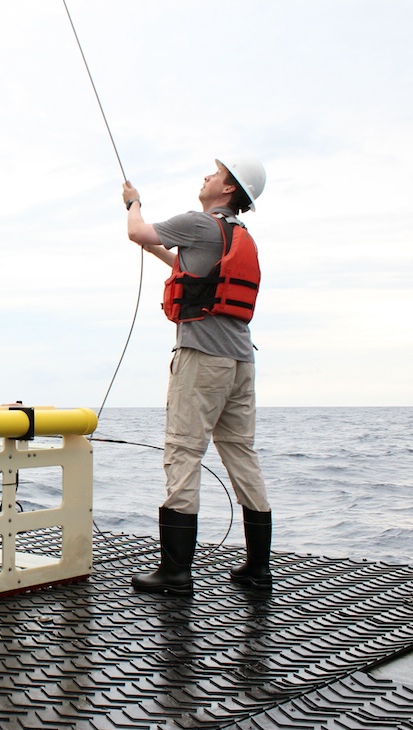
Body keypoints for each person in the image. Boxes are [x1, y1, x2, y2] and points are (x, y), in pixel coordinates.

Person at [121, 157, 272, 594]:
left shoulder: (198, 223)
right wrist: (154, 246)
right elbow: (177, 261)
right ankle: (258, 568)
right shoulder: (237, 234)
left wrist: (134, 202)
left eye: (214, 173)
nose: (206, 177)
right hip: (241, 361)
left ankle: (175, 573)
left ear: (227, 190)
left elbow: (137, 230)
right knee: (241, 453)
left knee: (184, 451)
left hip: (203, 358)